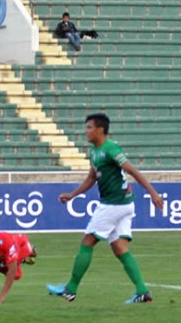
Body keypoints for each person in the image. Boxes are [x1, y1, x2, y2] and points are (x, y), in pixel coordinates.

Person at [47, 113, 164, 304]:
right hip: (124, 204)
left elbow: (132, 170)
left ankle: (71, 289)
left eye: (89, 127)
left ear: (100, 130)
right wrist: (72, 194)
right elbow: (92, 178)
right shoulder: (94, 151)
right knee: (120, 247)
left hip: (114, 204)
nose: (85, 131)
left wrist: (153, 193)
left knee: (87, 241)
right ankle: (143, 292)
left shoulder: (110, 148)